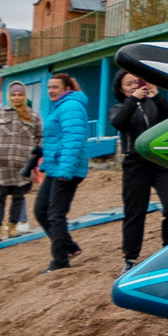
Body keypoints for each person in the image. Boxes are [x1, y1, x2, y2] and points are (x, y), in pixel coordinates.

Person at [109, 72, 168, 267]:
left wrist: (156, 96)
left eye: (137, 81)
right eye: (129, 84)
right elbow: (118, 122)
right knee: (135, 212)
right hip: (135, 164)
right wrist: (133, 100)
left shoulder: (156, 103)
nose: (134, 86)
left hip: (161, 161)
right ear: (120, 89)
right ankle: (130, 257)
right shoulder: (118, 108)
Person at [36, 72, 93, 270]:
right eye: (49, 87)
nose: (51, 91)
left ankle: (60, 261)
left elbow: (73, 139)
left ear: (67, 89)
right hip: (56, 167)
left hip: (66, 168)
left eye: (55, 87)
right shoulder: (61, 106)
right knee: (41, 210)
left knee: (55, 214)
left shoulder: (71, 106)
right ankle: (68, 247)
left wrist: (65, 169)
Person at [0, 82, 40, 239]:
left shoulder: (33, 116)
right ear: (9, 96)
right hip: (1, 165)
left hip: (22, 166)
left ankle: (13, 226)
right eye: (14, 95)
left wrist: (33, 154)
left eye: (20, 95)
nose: (17, 98)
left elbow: (40, 137)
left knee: (18, 197)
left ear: (24, 96)